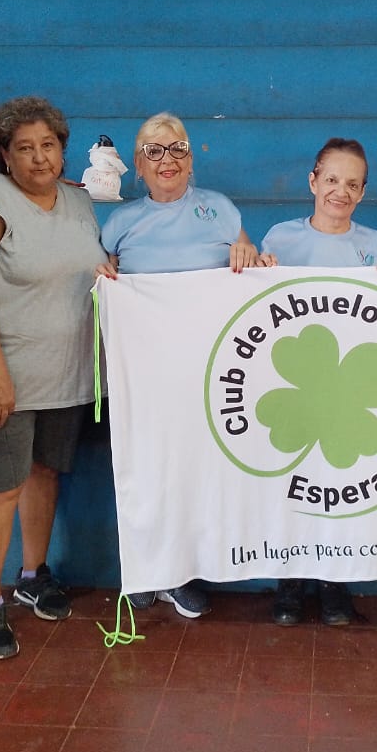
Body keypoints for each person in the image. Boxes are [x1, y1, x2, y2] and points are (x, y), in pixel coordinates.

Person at [0, 97, 107, 659]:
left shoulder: (80, 201)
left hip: (66, 377)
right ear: (3, 155)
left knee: (43, 475)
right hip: (5, 379)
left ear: (63, 148)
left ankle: (33, 573)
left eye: (49, 145)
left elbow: (92, 269)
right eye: (24, 148)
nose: (40, 158)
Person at [96, 111, 262, 619]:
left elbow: (250, 262)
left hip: (214, 375)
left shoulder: (221, 209)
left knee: (196, 472)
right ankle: (146, 572)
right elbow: (98, 280)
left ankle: (183, 573)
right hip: (144, 377)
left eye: (177, 149)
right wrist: (99, 271)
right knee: (145, 469)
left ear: (190, 160)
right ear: (138, 168)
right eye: (152, 151)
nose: (166, 160)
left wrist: (249, 250)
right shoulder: (120, 222)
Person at [259, 137, 377, 628]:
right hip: (295, 383)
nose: (341, 190)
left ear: (363, 193)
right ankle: (290, 585)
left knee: (343, 486)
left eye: (353, 184)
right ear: (313, 181)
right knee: (294, 486)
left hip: (353, 390)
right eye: (333, 179)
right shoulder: (280, 238)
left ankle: (336, 585)